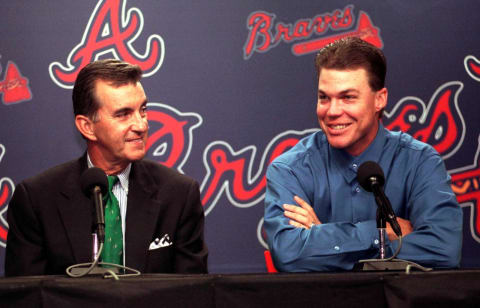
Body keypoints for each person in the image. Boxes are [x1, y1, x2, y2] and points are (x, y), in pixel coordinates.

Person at [264, 37, 462, 272]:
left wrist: (323, 239)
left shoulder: (419, 161)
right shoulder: (289, 169)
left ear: (380, 99)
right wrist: (382, 233)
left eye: (348, 97)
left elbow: (443, 249)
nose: (333, 111)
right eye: (324, 98)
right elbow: (288, 254)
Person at [5, 59, 208, 276]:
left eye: (143, 110)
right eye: (123, 114)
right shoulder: (37, 199)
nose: (141, 125)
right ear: (87, 127)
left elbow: (192, 292)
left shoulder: (179, 195)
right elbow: (28, 296)